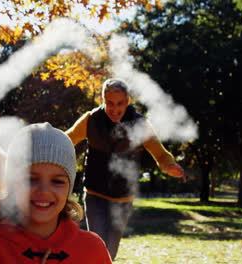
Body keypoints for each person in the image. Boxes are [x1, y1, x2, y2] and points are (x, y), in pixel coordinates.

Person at [65, 78, 185, 260]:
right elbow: (68, 139)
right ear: (103, 100)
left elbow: (159, 153)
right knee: (97, 244)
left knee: (110, 250)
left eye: (120, 103)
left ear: (128, 101)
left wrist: (169, 165)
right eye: (110, 103)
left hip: (123, 197)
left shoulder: (140, 125)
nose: (115, 109)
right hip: (95, 192)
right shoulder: (91, 120)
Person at [0, 123, 112, 264]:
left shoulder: (92, 250)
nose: (44, 190)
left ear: (69, 188)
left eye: (57, 181)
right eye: (31, 179)